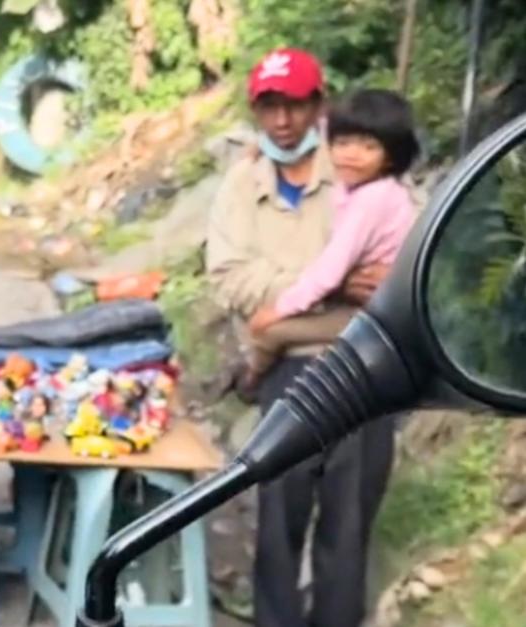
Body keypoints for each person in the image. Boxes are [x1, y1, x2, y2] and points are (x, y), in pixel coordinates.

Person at [205, 49, 397, 627]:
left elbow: (388, 265)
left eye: (294, 104)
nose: (282, 120)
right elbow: (229, 279)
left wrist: (293, 297)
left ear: (319, 106)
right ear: (256, 111)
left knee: (347, 523)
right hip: (287, 368)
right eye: (269, 106)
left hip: (362, 365)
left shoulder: (358, 172)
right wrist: (328, 284)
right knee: (279, 517)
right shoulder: (242, 185)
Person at [243, 89, 421, 387]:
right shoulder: (373, 188)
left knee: (268, 330)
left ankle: (251, 380)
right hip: (381, 310)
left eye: (368, 147)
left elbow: (330, 271)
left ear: (390, 155)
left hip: (381, 318)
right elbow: (330, 128)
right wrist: (260, 146)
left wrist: (280, 308)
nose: (350, 154)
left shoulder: (371, 201)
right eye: (342, 144)